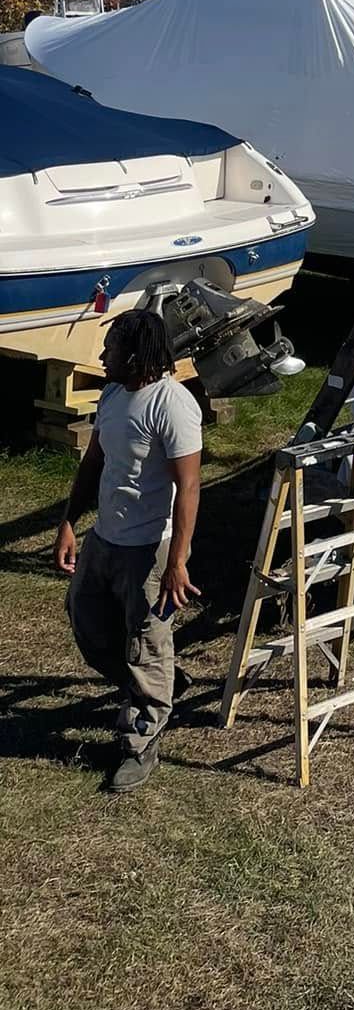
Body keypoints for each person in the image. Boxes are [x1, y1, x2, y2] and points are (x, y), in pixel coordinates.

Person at [52, 308, 203, 794]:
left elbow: (191, 486)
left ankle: (140, 742)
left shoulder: (172, 404)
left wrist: (176, 561)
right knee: (88, 622)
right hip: (105, 540)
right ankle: (161, 682)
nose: (102, 355)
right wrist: (70, 523)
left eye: (112, 347)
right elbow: (95, 462)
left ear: (137, 355)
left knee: (144, 642)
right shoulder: (114, 394)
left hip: (149, 550)